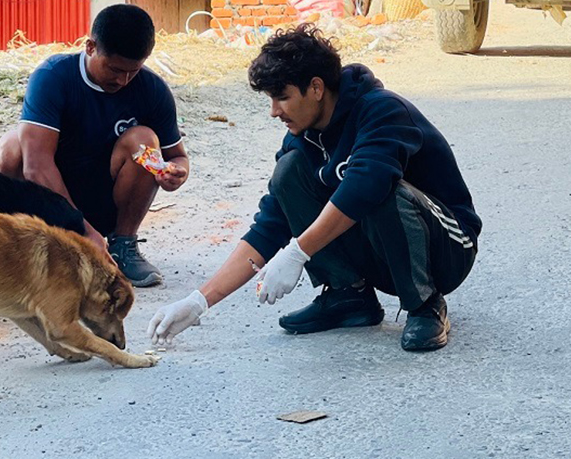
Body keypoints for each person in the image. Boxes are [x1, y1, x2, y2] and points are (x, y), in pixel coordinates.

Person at [148, 25, 480, 352]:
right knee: (288, 173)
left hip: (447, 250)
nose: (274, 111)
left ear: (317, 88)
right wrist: (199, 301)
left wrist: (298, 251)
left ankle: (425, 305)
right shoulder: (301, 138)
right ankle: (347, 295)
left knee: (378, 189)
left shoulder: (382, 111)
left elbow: (365, 188)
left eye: (282, 98)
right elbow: (270, 223)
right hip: (384, 252)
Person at [0, 4, 189, 287]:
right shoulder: (53, 77)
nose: (123, 80)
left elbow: (178, 157)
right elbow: (36, 167)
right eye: (114, 69)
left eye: (133, 71)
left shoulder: (152, 90)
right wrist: (81, 231)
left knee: (144, 140)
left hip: (103, 198)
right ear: (90, 47)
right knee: (12, 147)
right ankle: (17, 245)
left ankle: (122, 245)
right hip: (48, 199)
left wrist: (176, 173)